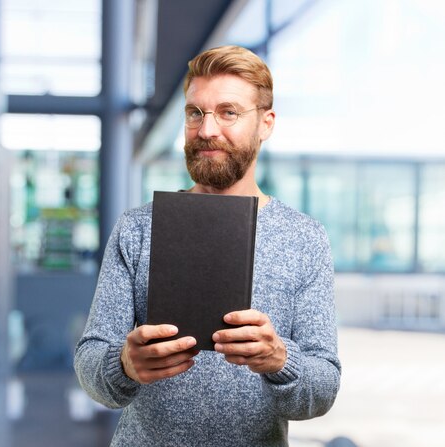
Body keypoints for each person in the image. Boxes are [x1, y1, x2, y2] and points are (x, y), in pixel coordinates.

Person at [74, 45, 341, 446]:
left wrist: (281, 360)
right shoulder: (137, 228)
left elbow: (322, 390)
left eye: (228, 112)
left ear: (266, 123)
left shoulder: (304, 239)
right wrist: (124, 364)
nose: (207, 129)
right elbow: (90, 360)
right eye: (195, 112)